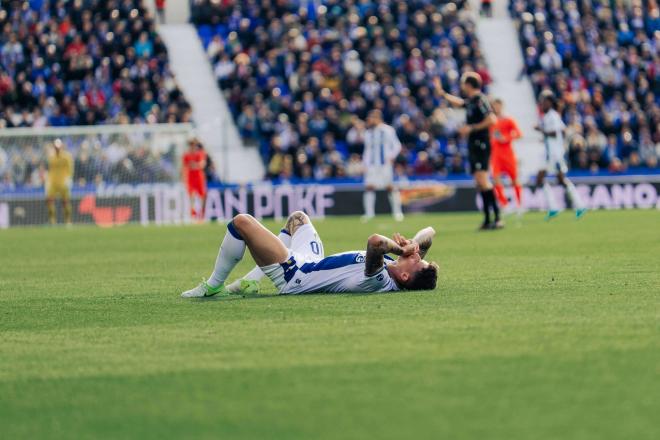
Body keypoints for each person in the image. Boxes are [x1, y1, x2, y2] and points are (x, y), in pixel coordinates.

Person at [181, 211, 438, 297]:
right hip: (312, 262)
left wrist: (400, 248)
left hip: (295, 275)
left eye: (418, 262)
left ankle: (213, 286)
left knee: (242, 222)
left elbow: (374, 242)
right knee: (298, 218)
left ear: (405, 276)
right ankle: (250, 281)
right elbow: (430, 232)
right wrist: (413, 246)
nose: (417, 256)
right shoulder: (398, 268)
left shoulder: (379, 279)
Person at [433, 72, 501, 230]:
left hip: (480, 143)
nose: (462, 86)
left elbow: (492, 119)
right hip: (474, 144)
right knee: (480, 182)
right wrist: (443, 94)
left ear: (469, 85)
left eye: (463, 83)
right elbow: (460, 103)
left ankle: (496, 217)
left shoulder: (480, 99)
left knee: (483, 180)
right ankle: (488, 219)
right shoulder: (472, 101)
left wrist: (471, 128)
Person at [534, 91, 587, 220]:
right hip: (551, 153)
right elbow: (562, 131)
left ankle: (556, 208)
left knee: (542, 179)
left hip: (553, 155)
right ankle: (577, 205)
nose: (542, 104)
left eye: (544, 102)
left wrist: (541, 130)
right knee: (560, 180)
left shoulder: (552, 116)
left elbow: (554, 133)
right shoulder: (549, 116)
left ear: (550, 103)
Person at [361, 109, 404, 222]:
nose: (369, 120)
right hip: (371, 165)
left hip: (385, 164)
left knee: (390, 187)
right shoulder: (368, 133)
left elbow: (397, 145)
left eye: (372, 118)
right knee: (369, 187)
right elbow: (367, 150)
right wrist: (365, 164)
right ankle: (369, 214)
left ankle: (397, 213)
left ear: (378, 118)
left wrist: (391, 156)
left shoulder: (388, 130)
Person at [489, 98, 523, 213]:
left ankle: (519, 205)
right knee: (496, 178)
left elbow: (519, 134)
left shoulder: (508, 120)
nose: (496, 108)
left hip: (508, 153)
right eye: (494, 106)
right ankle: (504, 204)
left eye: (498, 105)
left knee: (514, 179)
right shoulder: (490, 121)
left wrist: (507, 138)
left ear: (501, 106)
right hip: (495, 154)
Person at [45, 139, 74, 225]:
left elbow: (70, 169)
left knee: (65, 202)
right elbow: (49, 169)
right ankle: (52, 220)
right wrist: (48, 180)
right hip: (53, 182)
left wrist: (69, 179)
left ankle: (68, 220)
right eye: (55, 147)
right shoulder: (51, 156)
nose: (57, 149)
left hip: (63, 182)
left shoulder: (66, 156)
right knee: (49, 201)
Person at [182, 138, 208, 221]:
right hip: (190, 178)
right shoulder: (186, 155)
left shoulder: (200, 154)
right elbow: (184, 167)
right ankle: (193, 214)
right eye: (192, 146)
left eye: (194, 145)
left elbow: (202, 164)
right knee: (192, 195)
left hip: (199, 177)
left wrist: (195, 165)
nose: (193, 147)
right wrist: (183, 178)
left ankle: (202, 214)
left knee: (202, 196)